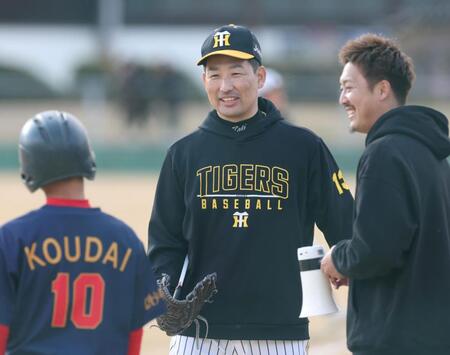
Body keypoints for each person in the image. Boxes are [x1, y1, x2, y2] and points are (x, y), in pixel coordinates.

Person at [148, 24, 353, 355]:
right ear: (204, 82)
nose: (225, 86)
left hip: (279, 332)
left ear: (259, 78)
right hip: (199, 333)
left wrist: (353, 269)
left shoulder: (303, 147)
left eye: (236, 73)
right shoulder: (184, 154)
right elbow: (165, 242)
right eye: (214, 75)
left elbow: (345, 226)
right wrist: (164, 291)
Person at [320, 34, 450, 355]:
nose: (342, 99)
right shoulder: (437, 156)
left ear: (382, 90)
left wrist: (337, 259)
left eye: (349, 87)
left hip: (395, 341)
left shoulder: (383, 154)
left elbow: (376, 250)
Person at [0, 111, 165, 355]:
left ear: (29, 165)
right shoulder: (125, 240)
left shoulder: (12, 239)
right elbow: (133, 338)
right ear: (87, 157)